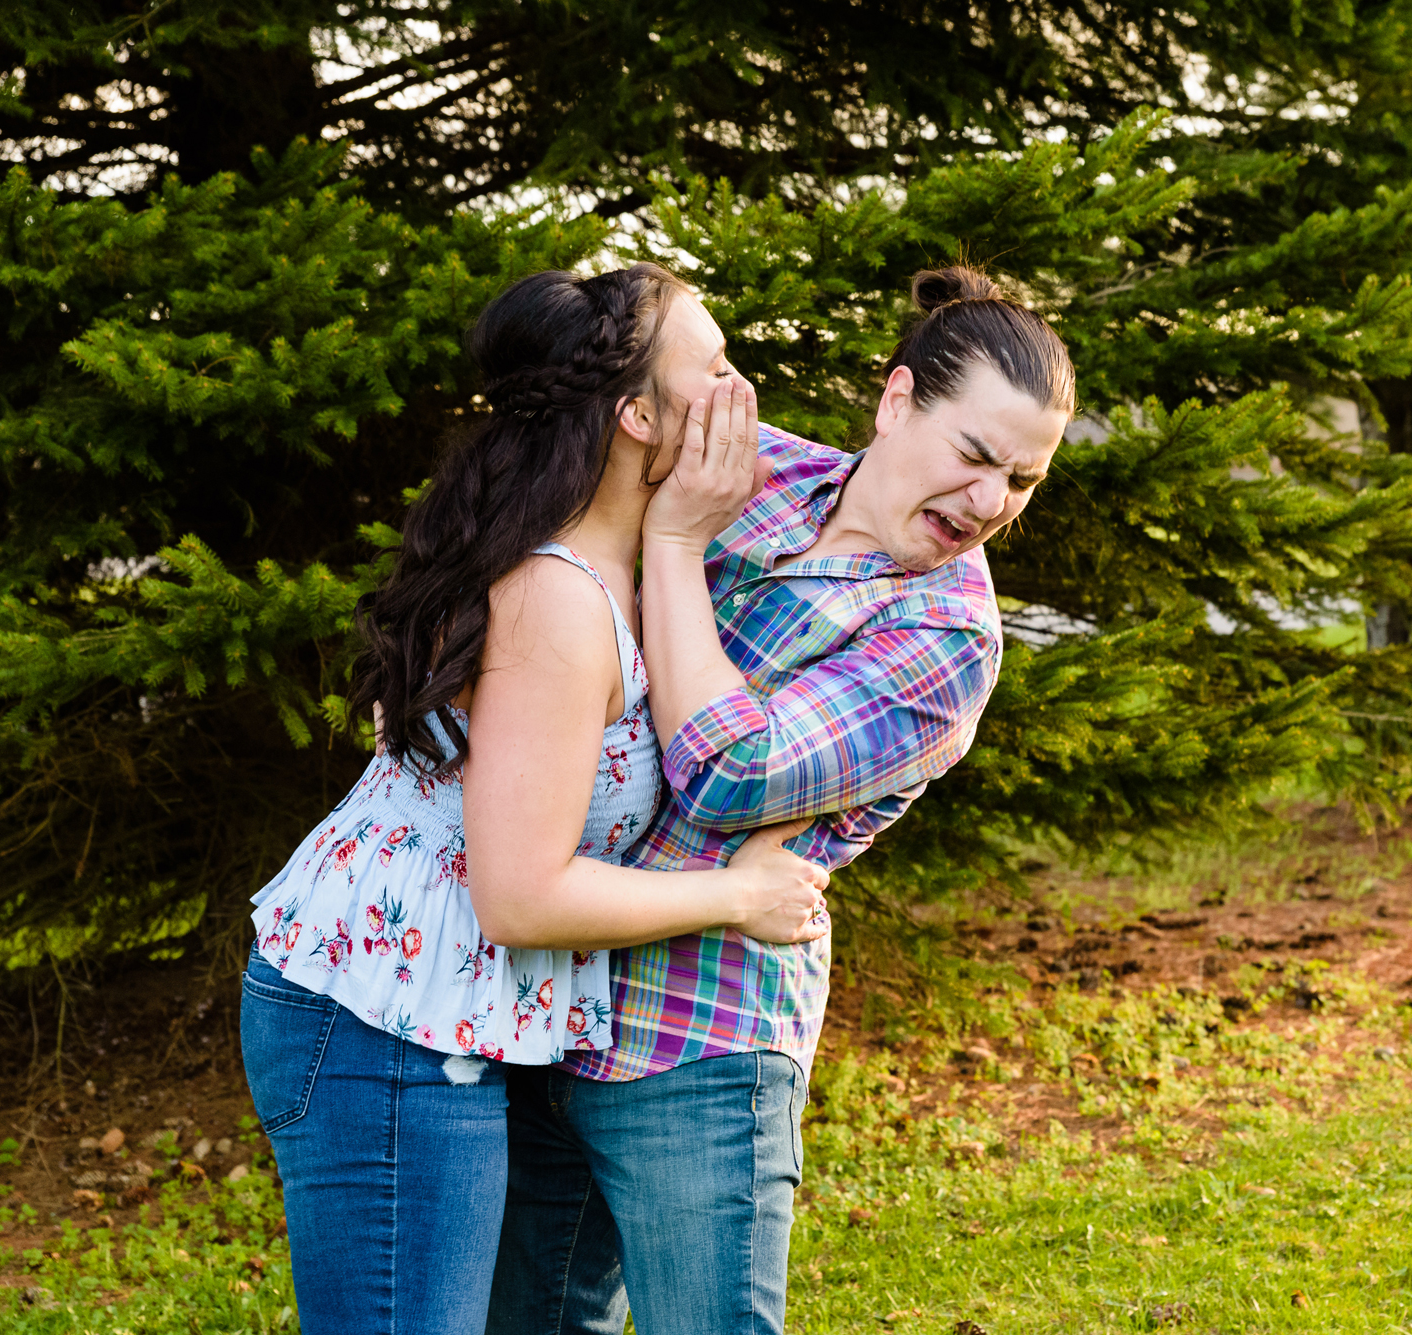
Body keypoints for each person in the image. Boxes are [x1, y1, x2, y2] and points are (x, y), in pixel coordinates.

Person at [237, 262, 833, 1335]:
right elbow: (520, 896)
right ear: (638, 418)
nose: (746, 397)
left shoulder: (627, 569)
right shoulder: (557, 598)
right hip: (381, 1024)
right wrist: (734, 896)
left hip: (438, 1019)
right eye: (720, 370)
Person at [488, 266, 1077, 1334]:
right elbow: (566, 542)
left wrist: (672, 544)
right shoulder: (751, 473)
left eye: (1023, 482)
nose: (992, 503)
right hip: (547, 996)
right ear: (897, 401)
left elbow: (728, 774)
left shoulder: (946, 639)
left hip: (698, 1037)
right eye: (976, 457)